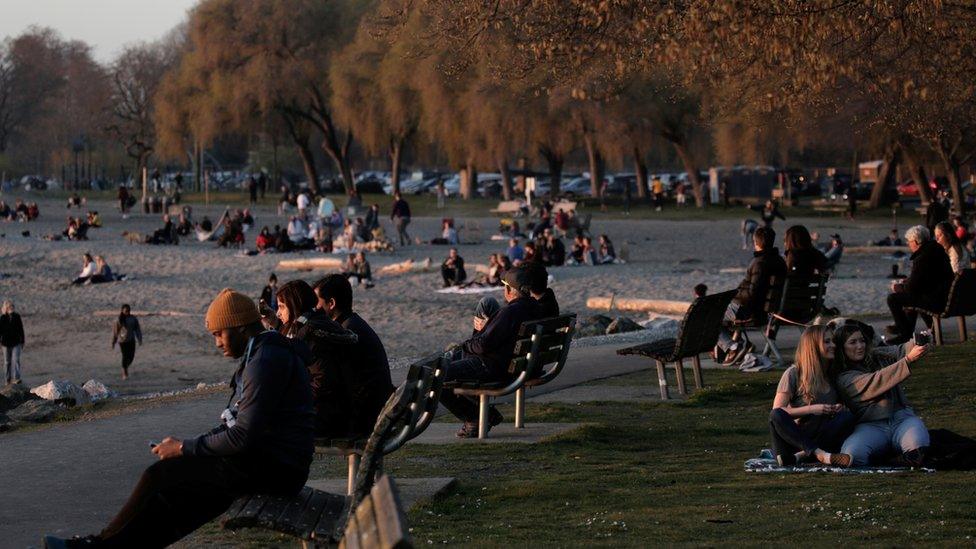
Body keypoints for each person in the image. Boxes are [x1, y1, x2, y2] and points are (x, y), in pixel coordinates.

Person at [43, 289, 315, 548]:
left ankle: (97, 545)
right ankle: (104, 545)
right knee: (183, 497)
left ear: (240, 326)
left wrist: (185, 447)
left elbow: (243, 435)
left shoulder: (265, 360)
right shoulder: (264, 352)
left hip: (278, 469)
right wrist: (192, 445)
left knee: (160, 475)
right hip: (279, 463)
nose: (217, 342)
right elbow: (239, 426)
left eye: (219, 333)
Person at [438, 267, 543, 437]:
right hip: (514, 363)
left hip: (493, 366)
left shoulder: (510, 312)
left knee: (437, 374)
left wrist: (470, 341)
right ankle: (482, 414)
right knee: (446, 360)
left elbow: (483, 345)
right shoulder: (535, 307)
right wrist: (486, 329)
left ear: (509, 290)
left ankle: (475, 417)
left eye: (505, 287)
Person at [274, 280, 367, 438]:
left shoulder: (310, 333)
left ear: (295, 305)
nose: (278, 312)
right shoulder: (319, 323)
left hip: (330, 418)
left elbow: (322, 380)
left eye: (282, 306)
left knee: (263, 427)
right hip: (345, 410)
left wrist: (292, 401)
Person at [832, 320, 932, 467]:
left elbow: (900, 350)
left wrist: (920, 342)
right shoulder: (844, 377)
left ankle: (895, 454)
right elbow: (876, 381)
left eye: (862, 341)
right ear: (842, 348)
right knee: (852, 455)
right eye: (852, 342)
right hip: (871, 425)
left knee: (918, 447)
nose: (860, 346)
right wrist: (908, 360)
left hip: (901, 418)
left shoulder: (877, 355)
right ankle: (889, 457)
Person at [312, 275, 395, 438]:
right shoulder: (353, 324)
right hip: (375, 412)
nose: (314, 308)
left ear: (331, 303)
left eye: (317, 302)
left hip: (361, 422)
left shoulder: (345, 334)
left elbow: (331, 383)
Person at [768, 325, 855, 467]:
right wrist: (811, 409)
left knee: (847, 416)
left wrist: (838, 408)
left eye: (832, 341)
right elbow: (779, 411)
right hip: (793, 441)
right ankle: (818, 454)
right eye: (827, 342)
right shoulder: (793, 373)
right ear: (813, 346)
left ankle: (803, 456)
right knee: (775, 415)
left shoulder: (832, 375)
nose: (833, 345)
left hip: (819, 437)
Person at [716, 227, 787, 364]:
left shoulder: (759, 263)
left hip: (751, 311)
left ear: (756, 243)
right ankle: (740, 344)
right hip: (765, 309)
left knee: (710, 316)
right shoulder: (780, 261)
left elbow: (751, 294)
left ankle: (734, 346)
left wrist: (733, 296)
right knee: (719, 314)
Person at [885, 225, 953, 344]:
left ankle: (905, 334)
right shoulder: (936, 249)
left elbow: (912, 288)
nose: (908, 244)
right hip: (944, 296)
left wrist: (900, 287)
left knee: (893, 299)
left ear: (916, 241)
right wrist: (908, 282)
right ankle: (906, 332)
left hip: (935, 300)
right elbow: (925, 279)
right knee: (912, 298)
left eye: (909, 241)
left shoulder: (922, 256)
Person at [111, 305, 142, 380]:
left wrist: (139, 338)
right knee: (125, 356)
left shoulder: (133, 319)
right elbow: (115, 332)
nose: (127, 312)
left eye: (128, 311)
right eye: (126, 311)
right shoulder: (118, 320)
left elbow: (137, 329)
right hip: (122, 341)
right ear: (122, 311)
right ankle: (124, 371)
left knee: (131, 356)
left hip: (131, 339)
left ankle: (126, 367)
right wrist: (113, 342)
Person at [0, 301, 25, 384]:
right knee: (7, 362)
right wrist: (4, 315)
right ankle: (7, 379)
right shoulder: (3, 317)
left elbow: (21, 329)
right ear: (6, 308)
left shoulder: (17, 316)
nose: (11, 308)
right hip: (6, 344)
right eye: (9, 306)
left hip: (16, 342)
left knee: (16, 360)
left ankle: (17, 378)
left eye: (12, 306)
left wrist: (22, 341)